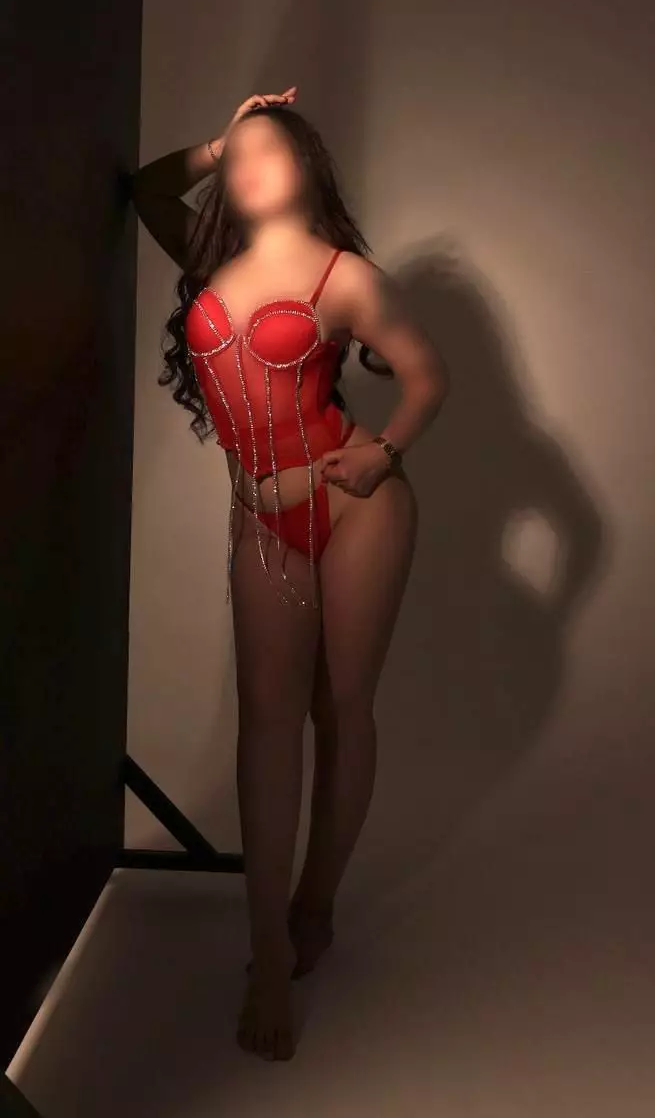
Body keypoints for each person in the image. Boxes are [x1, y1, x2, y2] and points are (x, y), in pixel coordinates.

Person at [129, 88, 450, 1061]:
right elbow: (145, 189)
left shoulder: (348, 276)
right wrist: (222, 133)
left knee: (340, 709)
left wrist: (384, 451)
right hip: (261, 517)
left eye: (271, 148)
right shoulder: (211, 265)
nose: (251, 164)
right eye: (240, 156)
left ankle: (316, 902)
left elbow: (426, 374)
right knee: (267, 724)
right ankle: (269, 949)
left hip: (356, 509)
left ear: (310, 165)